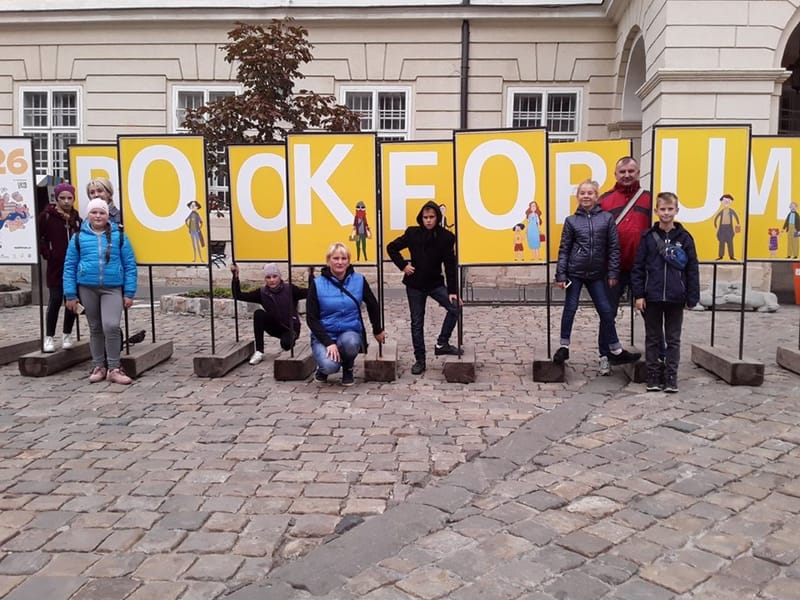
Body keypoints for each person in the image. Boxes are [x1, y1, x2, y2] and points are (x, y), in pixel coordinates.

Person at [554, 179, 640, 368]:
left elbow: (614, 248)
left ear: (596, 196)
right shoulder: (572, 221)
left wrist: (612, 273)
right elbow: (564, 249)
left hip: (597, 274)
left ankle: (616, 350)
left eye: (590, 193)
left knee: (606, 311)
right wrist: (561, 274)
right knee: (570, 308)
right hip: (575, 272)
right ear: (577, 197)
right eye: (582, 193)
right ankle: (564, 346)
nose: (586, 196)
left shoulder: (606, 218)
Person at [63, 198, 138, 384]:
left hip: (112, 288)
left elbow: (130, 265)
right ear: (88, 214)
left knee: (111, 326)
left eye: (102, 212)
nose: (98, 216)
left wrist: (129, 293)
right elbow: (69, 266)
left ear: (107, 215)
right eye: (94, 212)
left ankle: (114, 367)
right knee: (95, 327)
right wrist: (70, 294)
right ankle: (99, 366)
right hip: (87, 287)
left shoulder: (119, 236)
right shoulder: (78, 238)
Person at [631, 192, 700, 393]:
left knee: (673, 338)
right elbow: (638, 267)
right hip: (652, 296)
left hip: (676, 296)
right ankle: (653, 375)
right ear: (656, 211)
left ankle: (671, 376)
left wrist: (692, 296)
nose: (666, 213)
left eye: (670, 209)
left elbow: (692, 268)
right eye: (663, 209)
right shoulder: (648, 238)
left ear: (676, 211)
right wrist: (639, 295)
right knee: (652, 338)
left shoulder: (685, 238)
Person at [386, 201, 462, 376]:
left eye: (431, 217)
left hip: (435, 283)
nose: (428, 220)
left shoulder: (446, 237)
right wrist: (403, 265)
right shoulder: (413, 233)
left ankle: (442, 343)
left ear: (437, 218)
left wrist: (452, 291)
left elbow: (450, 264)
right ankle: (420, 360)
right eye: (425, 217)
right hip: (415, 285)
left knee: (455, 307)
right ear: (421, 218)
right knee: (417, 321)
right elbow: (392, 247)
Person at [597, 157, 652, 375]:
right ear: (615, 174)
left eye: (631, 171)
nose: (627, 175)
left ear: (638, 172)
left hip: (642, 267)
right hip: (613, 267)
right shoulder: (605, 200)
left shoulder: (648, 199)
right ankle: (605, 355)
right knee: (607, 313)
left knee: (650, 311)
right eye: (623, 171)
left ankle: (656, 354)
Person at [306, 242, 385, 386]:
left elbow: (373, 305)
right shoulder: (317, 284)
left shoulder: (359, 280)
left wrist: (377, 329)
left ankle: (348, 367)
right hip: (325, 334)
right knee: (330, 366)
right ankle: (323, 370)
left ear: (349, 261)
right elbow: (311, 319)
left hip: (349, 331)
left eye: (343, 258)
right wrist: (328, 343)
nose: (340, 262)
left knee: (351, 343)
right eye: (335, 258)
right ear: (328, 260)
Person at [230, 262, 309, 365]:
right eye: (268, 277)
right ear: (265, 279)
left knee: (286, 345)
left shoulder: (290, 289)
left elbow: (310, 292)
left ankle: (290, 339)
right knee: (259, 313)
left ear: (280, 277)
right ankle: (259, 351)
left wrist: (311, 274)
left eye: (274, 276)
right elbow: (239, 295)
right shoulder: (262, 292)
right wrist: (235, 276)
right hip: (275, 326)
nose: (272, 280)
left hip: (290, 328)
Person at [38, 182, 82, 352]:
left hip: (74, 266)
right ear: (56, 198)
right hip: (55, 266)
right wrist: (47, 253)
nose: (66, 201)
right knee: (55, 299)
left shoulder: (76, 219)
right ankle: (49, 336)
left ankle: (67, 334)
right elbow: (40, 237)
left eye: (69, 198)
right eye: (62, 198)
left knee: (71, 301)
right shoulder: (47, 216)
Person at [713, 193, 740, 260]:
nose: (726, 202)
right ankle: (721, 256)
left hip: (729, 229)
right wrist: (715, 224)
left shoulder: (731, 211)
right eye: (724, 201)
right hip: (722, 228)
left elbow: (736, 216)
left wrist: (738, 223)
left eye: (728, 201)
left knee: (730, 242)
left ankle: (731, 256)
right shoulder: (722, 211)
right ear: (722, 202)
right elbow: (716, 217)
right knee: (721, 243)